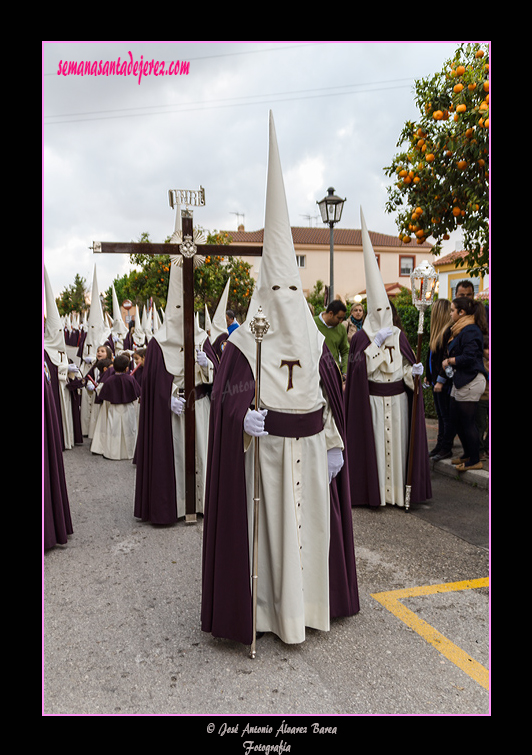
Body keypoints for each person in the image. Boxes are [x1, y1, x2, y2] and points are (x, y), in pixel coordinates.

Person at [201, 112, 359, 649]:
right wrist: (238, 418)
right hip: (263, 464)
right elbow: (225, 400)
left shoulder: (315, 342)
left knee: (308, 536)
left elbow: (332, 400)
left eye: (296, 292)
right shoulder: (245, 344)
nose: (288, 303)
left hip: (311, 457)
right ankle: (265, 613)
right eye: (279, 291)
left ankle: (311, 606)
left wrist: (335, 442)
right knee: (269, 543)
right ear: (264, 292)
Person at [344, 208, 431, 509]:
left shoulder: (400, 335)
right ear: (368, 312)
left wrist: (414, 373)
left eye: (386, 311)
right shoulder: (360, 338)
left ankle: (399, 494)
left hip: (398, 402)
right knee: (378, 450)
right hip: (373, 403)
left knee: (399, 447)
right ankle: (377, 494)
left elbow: (406, 371)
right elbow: (358, 374)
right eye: (376, 312)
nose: (382, 317)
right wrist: (374, 347)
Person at [134, 257, 214, 524]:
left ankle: (202, 503)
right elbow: (151, 382)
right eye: (177, 307)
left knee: (201, 455)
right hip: (174, 413)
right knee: (176, 458)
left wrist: (210, 365)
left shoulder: (203, 338)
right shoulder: (158, 343)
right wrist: (167, 399)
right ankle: (176, 506)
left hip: (200, 408)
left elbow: (221, 379)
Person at [436, 296, 487, 471]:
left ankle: (474, 459)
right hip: (461, 380)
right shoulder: (461, 329)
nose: (450, 314)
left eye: (452, 310)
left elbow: (470, 357)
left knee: (467, 422)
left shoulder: (470, 330)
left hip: (470, 380)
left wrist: (450, 361)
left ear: (461, 312)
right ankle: (467, 454)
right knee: (455, 419)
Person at [90, 353, 141, 460]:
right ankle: (129, 453)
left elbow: (103, 394)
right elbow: (138, 392)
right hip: (128, 408)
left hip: (114, 408)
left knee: (113, 430)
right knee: (129, 429)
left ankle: (112, 453)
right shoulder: (130, 379)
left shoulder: (109, 380)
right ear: (127, 368)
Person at [424, 298, 454, 461]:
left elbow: (444, 359)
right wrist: (428, 376)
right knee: (441, 415)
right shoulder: (437, 334)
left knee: (445, 416)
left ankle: (446, 447)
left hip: (443, 383)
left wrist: (440, 380)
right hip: (435, 380)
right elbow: (431, 358)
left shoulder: (447, 333)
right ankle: (440, 446)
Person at [314, 300, 349, 379]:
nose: (341, 321)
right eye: (339, 318)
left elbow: (345, 351)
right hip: (314, 372)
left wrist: (345, 372)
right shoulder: (312, 323)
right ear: (330, 314)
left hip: (333, 374)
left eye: (342, 319)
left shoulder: (341, 329)